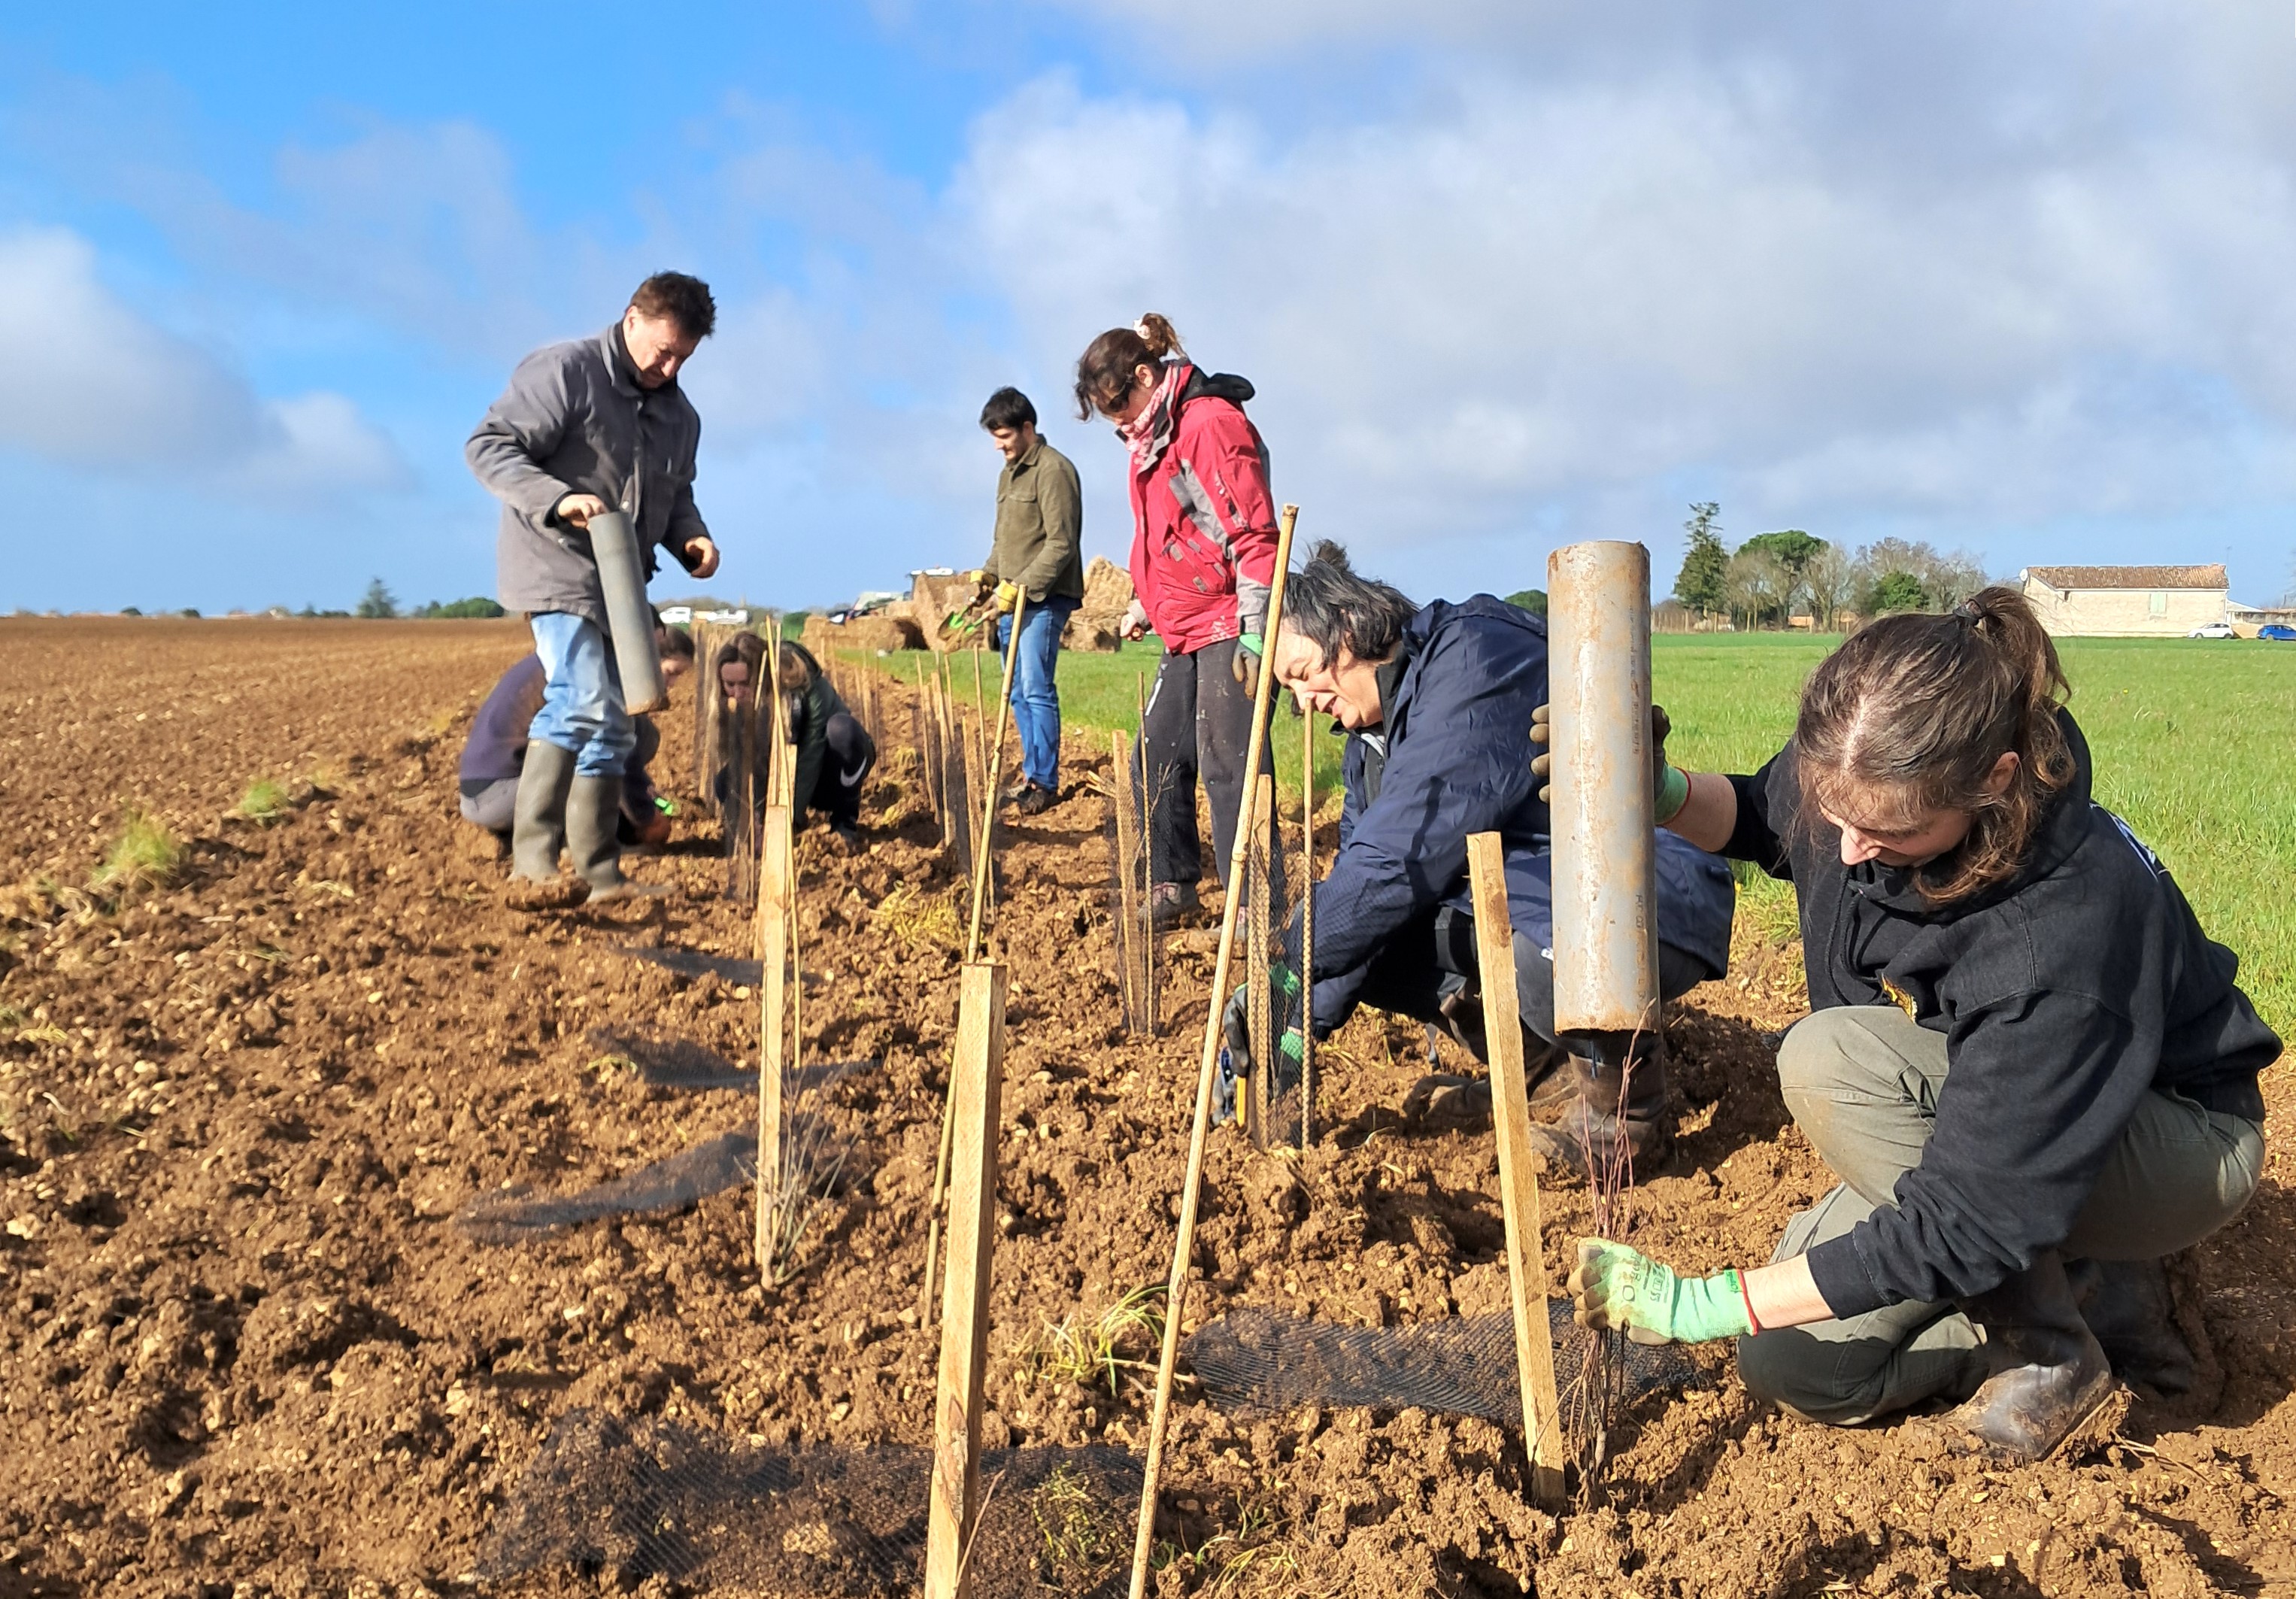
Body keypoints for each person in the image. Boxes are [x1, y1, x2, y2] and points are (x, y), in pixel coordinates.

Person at [1562, 587, 2273, 1462]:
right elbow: (1765, 817)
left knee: (1839, 1073)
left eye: (1886, 832)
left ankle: (2055, 1348)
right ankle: (2082, 1275)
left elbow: (1963, 1219)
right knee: (1797, 1362)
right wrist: (1661, 791)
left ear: (1995, 781)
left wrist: (1703, 1303)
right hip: (2027, 1093)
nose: (1850, 848)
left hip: (2175, 1137)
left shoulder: (2057, 933)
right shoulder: (1862, 765)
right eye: (1836, 814)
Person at [1246, 542, 1737, 1172]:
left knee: (1534, 945)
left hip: (1642, 892)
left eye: (1300, 672)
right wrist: (1296, 1011)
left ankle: (1626, 1121)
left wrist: (1288, 959)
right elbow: (1358, 886)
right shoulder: (1370, 743)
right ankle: (1541, 1079)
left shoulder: (1473, 656)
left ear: (1344, 628)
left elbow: (1398, 859)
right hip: (1539, 884)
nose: (1302, 701)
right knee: (1377, 950)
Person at [466, 271, 722, 906]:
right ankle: (531, 866)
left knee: (616, 726)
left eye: (682, 357)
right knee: (580, 697)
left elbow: (677, 494)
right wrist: (558, 499)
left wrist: (691, 538)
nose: (668, 366)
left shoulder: (679, 416)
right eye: (661, 350)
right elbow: (490, 446)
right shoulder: (566, 371)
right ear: (631, 318)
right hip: (554, 567)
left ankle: (601, 874)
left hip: (623, 581)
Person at [1076, 313, 1278, 924]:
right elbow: (1172, 533)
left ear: (1146, 375)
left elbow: (1255, 535)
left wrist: (1254, 629)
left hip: (1226, 618)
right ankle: (1172, 884)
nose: (1116, 423)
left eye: (1118, 406)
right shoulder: (1152, 435)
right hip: (1184, 623)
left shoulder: (1207, 424)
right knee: (1156, 754)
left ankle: (1255, 902)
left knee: (1229, 762)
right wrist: (1148, 602)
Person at [459, 618, 693, 855]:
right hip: (497, 794)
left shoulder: (574, 655)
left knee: (638, 733)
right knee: (610, 768)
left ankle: (527, 836)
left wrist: (639, 792)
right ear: (647, 658)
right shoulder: (595, 676)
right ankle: (587, 847)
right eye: (671, 673)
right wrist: (646, 816)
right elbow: (616, 755)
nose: (671, 685)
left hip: (486, 791)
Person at [970, 386, 1084, 815]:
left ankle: (1045, 781)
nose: (999, 446)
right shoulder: (1009, 473)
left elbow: (1061, 544)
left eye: (1005, 437)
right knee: (1015, 691)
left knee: (1037, 689)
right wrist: (989, 573)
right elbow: (1006, 541)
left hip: (1043, 599)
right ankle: (1031, 772)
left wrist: (1020, 586)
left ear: (1028, 428)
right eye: (994, 438)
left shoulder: (1054, 471)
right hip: (1009, 600)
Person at [711, 634, 875, 852]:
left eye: (744, 683)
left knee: (842, 730)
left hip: (828, 770)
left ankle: (845, 822)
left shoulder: (808, 687)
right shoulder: (736, 703)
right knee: (725, 781)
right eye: (729, 684)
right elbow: (750, 762)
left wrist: (787, 822)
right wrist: (753, 821)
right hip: (783, 775)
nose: (737, 693)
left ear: (764, 677)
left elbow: (811, 755)